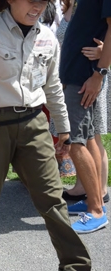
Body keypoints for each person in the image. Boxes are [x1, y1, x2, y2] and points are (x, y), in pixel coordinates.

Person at [0, 0, 91, 270]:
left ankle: (76, 263)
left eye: (43, 1)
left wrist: (64, 129)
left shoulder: (47, 37)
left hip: (34, 124)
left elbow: (53, 86)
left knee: (52, 198)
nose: (37, 6)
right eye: (30, 0)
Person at [59, 0, 110, 233]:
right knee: (87, 139)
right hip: (76, 76)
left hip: (84, 78)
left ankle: (96, 212)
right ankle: (93, 200)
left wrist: (99, 74)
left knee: (76, 142)